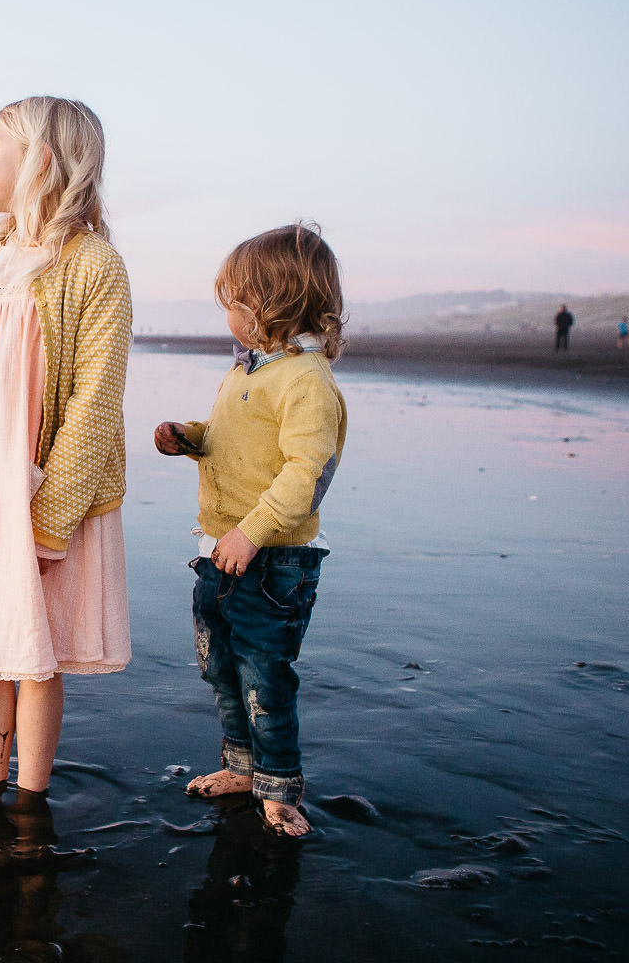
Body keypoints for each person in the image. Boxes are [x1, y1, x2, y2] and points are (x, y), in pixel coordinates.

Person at [0, 96, 132, 799]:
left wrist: (53, 514)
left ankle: (31, 800)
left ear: (41, 160)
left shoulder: (94, 264)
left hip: (45, 485)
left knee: (35, 647)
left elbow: (95, 404)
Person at [154, 222, 348, 837]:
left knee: (266, 678)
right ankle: (242, 768)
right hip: (220, 549)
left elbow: (306, 472)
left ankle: (280, 790)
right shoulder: (247, 371)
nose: (227, 315)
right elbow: (234, 442)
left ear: (272, 305)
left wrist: (252, 532)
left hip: (274, 560)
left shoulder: (306, 381)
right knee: (222, 668)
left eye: (234, 302)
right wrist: (190, 438)